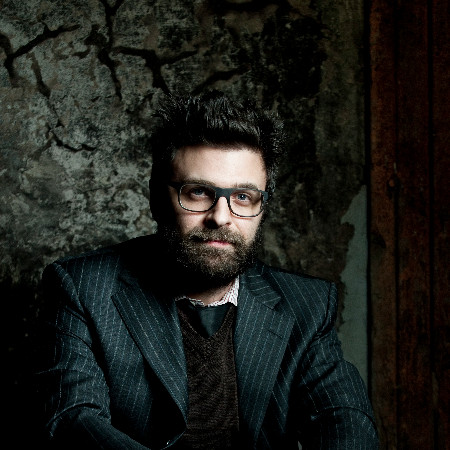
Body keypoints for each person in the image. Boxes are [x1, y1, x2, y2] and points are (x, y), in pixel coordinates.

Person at [35, 91, 378, 449]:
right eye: (198, 192)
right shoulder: (83, 288)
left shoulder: (307, 306)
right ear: (157, 198)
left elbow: (347, 423)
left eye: (243, 197)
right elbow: (73, 420)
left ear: (262, 208)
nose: (221, 217)